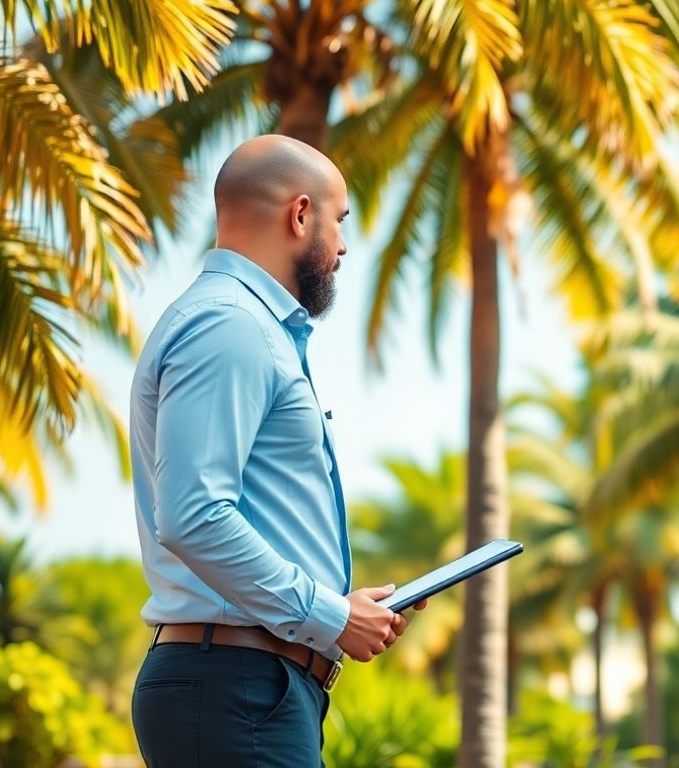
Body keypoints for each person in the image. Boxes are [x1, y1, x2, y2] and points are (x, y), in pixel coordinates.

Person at [128, 134, 424, 767]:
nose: (343, 246)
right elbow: (194, 515)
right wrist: (329, 616)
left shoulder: (236, 324)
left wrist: (342, 609)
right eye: (339, 221)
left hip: (243, 687)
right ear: (300, 214)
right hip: (235, 688)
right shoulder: (231, 325)